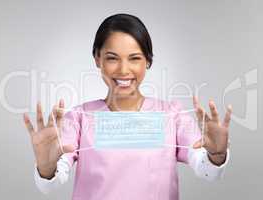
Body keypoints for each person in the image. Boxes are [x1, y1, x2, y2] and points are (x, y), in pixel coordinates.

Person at [23, 13, 232, 200]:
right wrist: (47, 167)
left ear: (148, 61)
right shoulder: (79, 117)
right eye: (112, 58)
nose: (124, 70)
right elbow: (50, 183)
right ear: (97, 59)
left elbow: (206, 170)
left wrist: (216, 155)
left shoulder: (172, 115)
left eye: (135, 58)